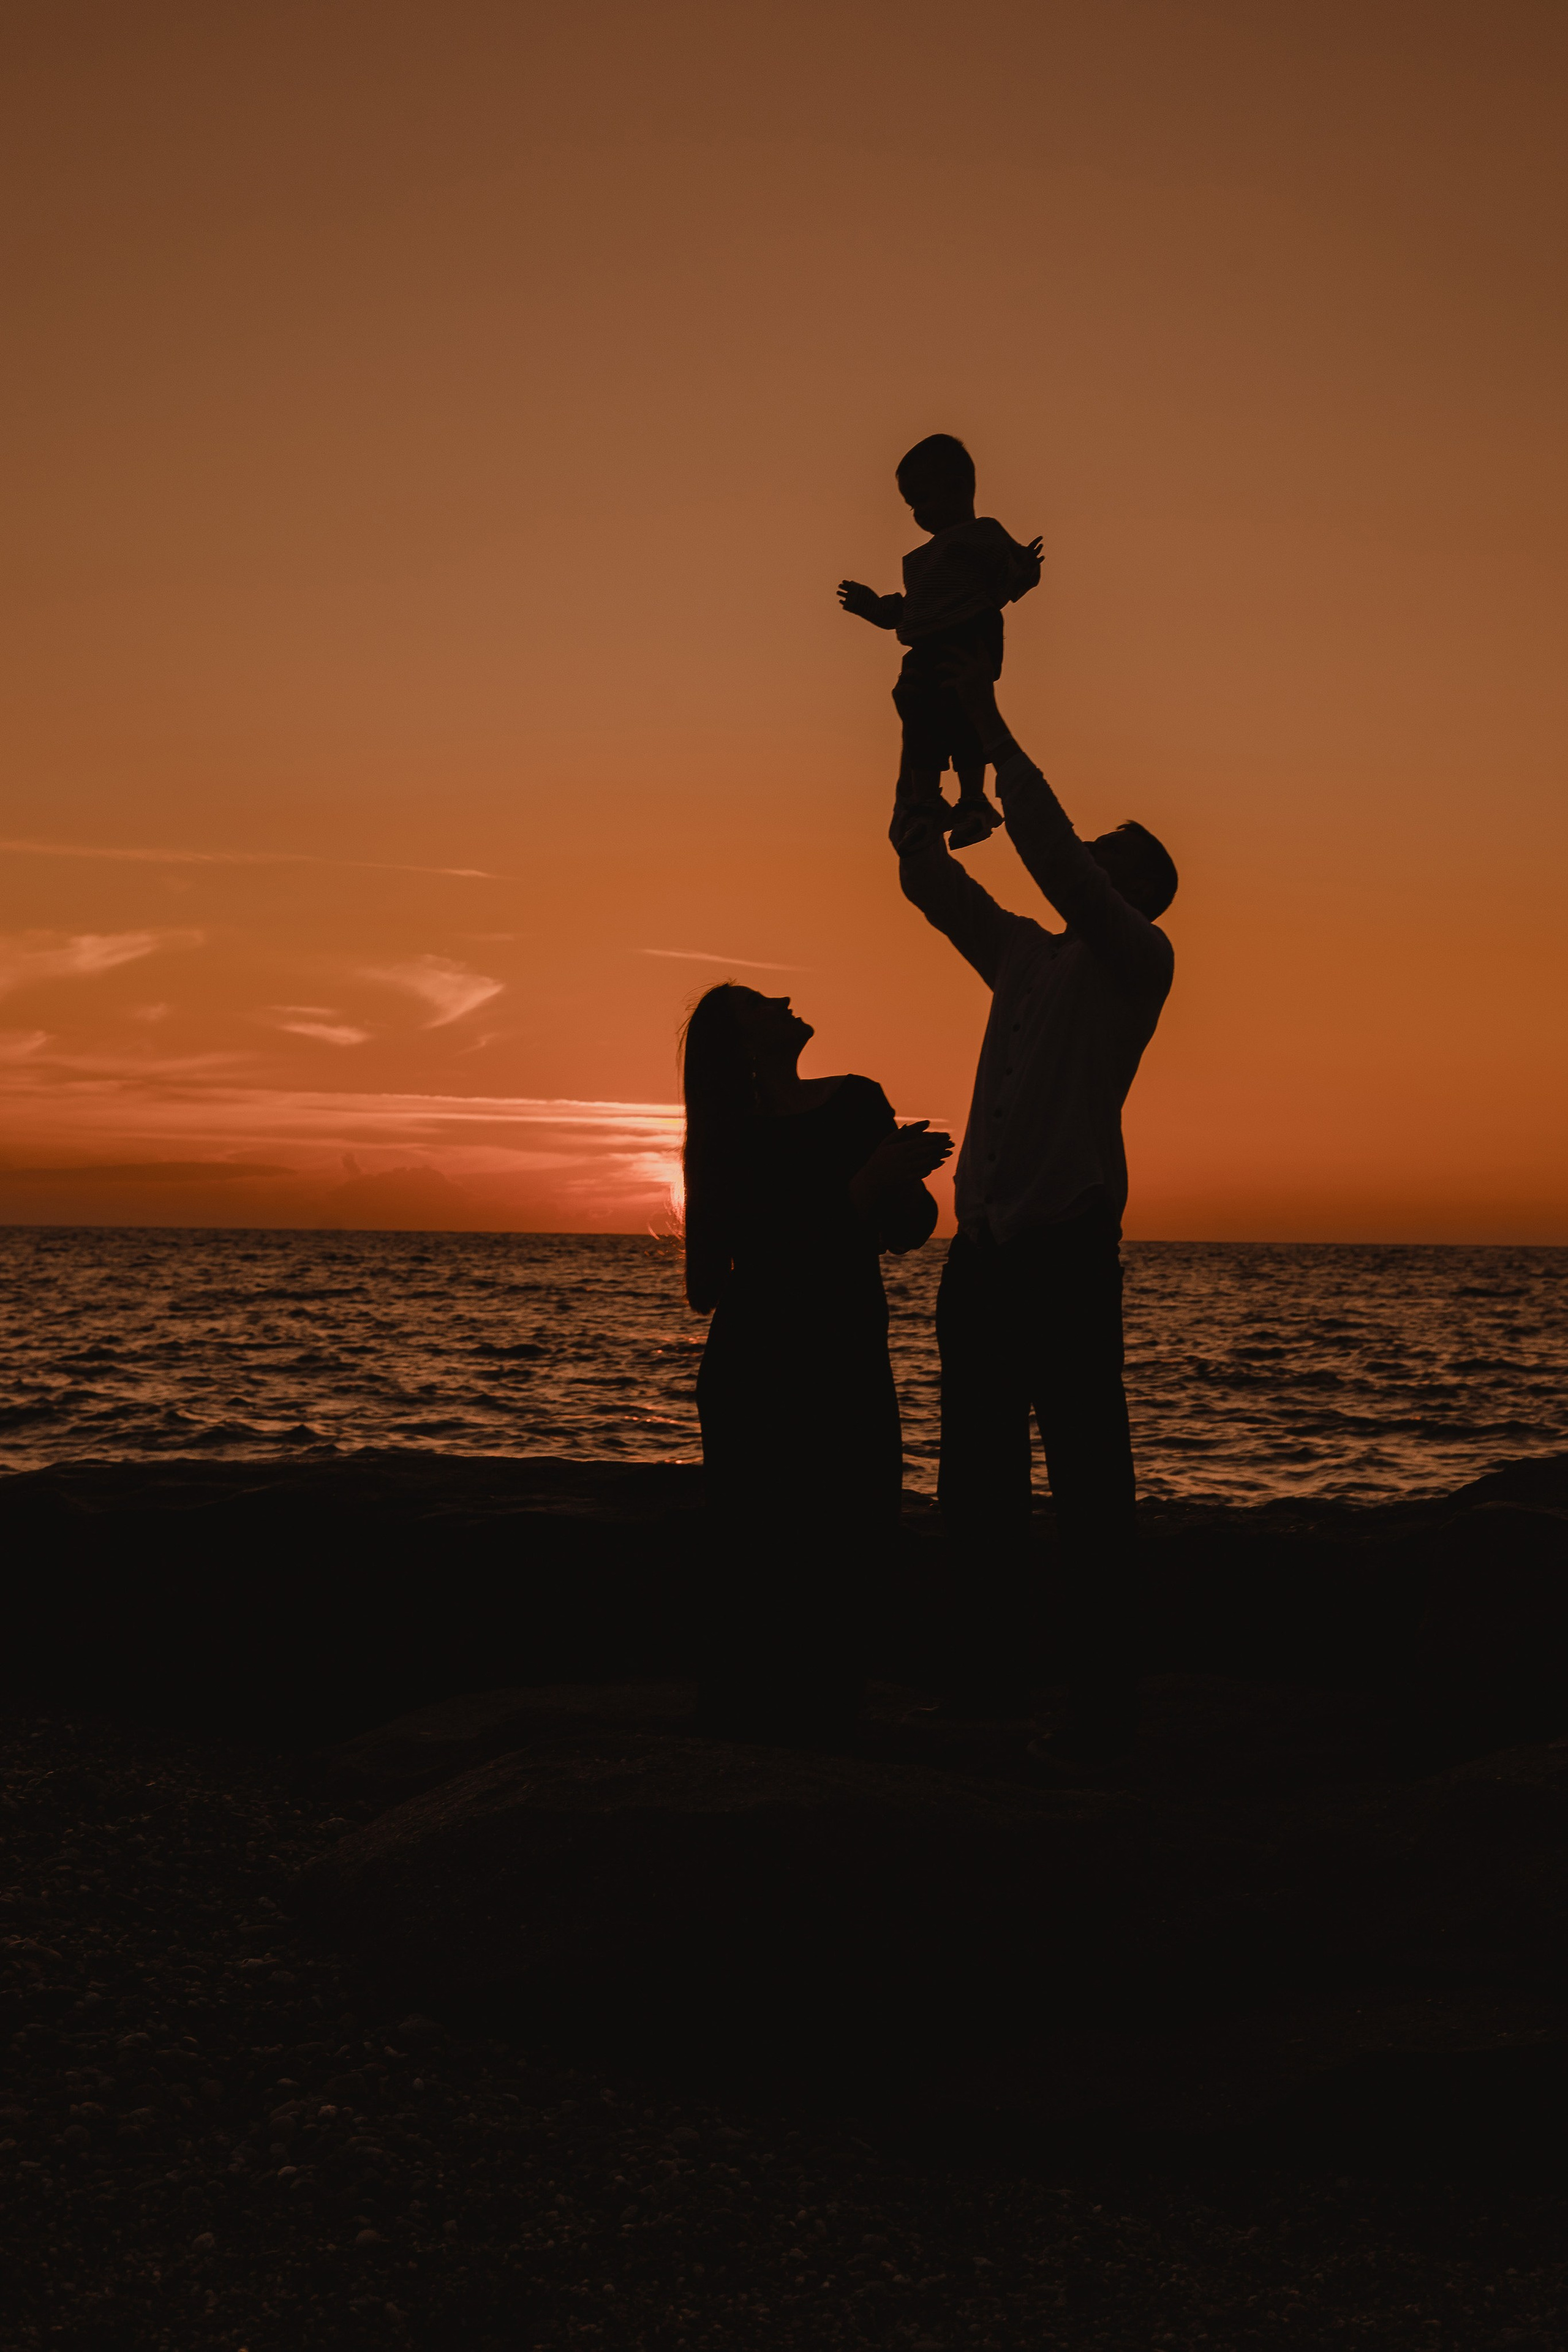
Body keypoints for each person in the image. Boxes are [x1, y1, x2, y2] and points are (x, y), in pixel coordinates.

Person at [891, 649, 1177, 1762]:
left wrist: (992, 725)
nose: (1088, 860)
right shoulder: (1021, 956)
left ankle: (1105, 1709)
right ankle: (989, 1687)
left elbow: (1053, 858)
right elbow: (926, 879)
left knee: (1089, 1482)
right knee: (978, 1481)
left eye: (1110, 859)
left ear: (1135, 891)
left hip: (1064, 1252)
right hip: (986, 1255)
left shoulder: (1140, 959)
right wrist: (919, 745)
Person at [681, 983, 951, 1738]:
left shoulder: (857, 1100)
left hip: (846, 1352)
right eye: (756, 1005)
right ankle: (746, 1719)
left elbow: (907, 1233)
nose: (782, 998)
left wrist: (901, 1180)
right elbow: (736, 1273)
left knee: (855, 1531)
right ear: (740, 1046)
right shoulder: (730, 1138)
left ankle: (829, 1715)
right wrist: (862, 1187)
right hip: (759, 1361)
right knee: (758, 1543)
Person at [838, 432, 1041, 851]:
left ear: (958, 488)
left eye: (923, 499)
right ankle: (927, 801)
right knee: (917, 714)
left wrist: (1024, 572)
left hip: (967, 636)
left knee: (962, 712)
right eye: (911, 505)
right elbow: (909, 609)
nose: (918, 513)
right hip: (923, 648)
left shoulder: (984, 533)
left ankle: (973, 800)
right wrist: (869, 605)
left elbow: (1009, 577)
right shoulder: (921, 559)